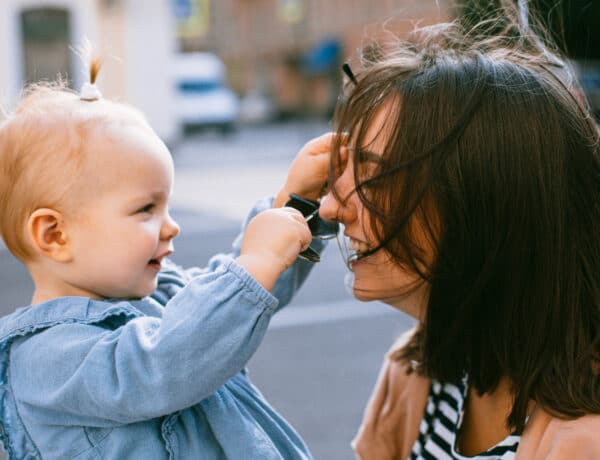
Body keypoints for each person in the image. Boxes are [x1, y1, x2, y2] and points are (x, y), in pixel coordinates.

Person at [0, 56, 333, 459]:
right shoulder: (45, 360)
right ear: (55, 235)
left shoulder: (154, 300)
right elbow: (167, 361)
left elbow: (228, 297)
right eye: (146, 210)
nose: (171, 226)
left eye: (167, 206)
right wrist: (257, 261)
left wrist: (296, 205)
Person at [317, 14, 600, 460]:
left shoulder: (585, 440)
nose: (330, 207)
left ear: (485, 206)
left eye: (372, 178)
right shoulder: (414, 371)